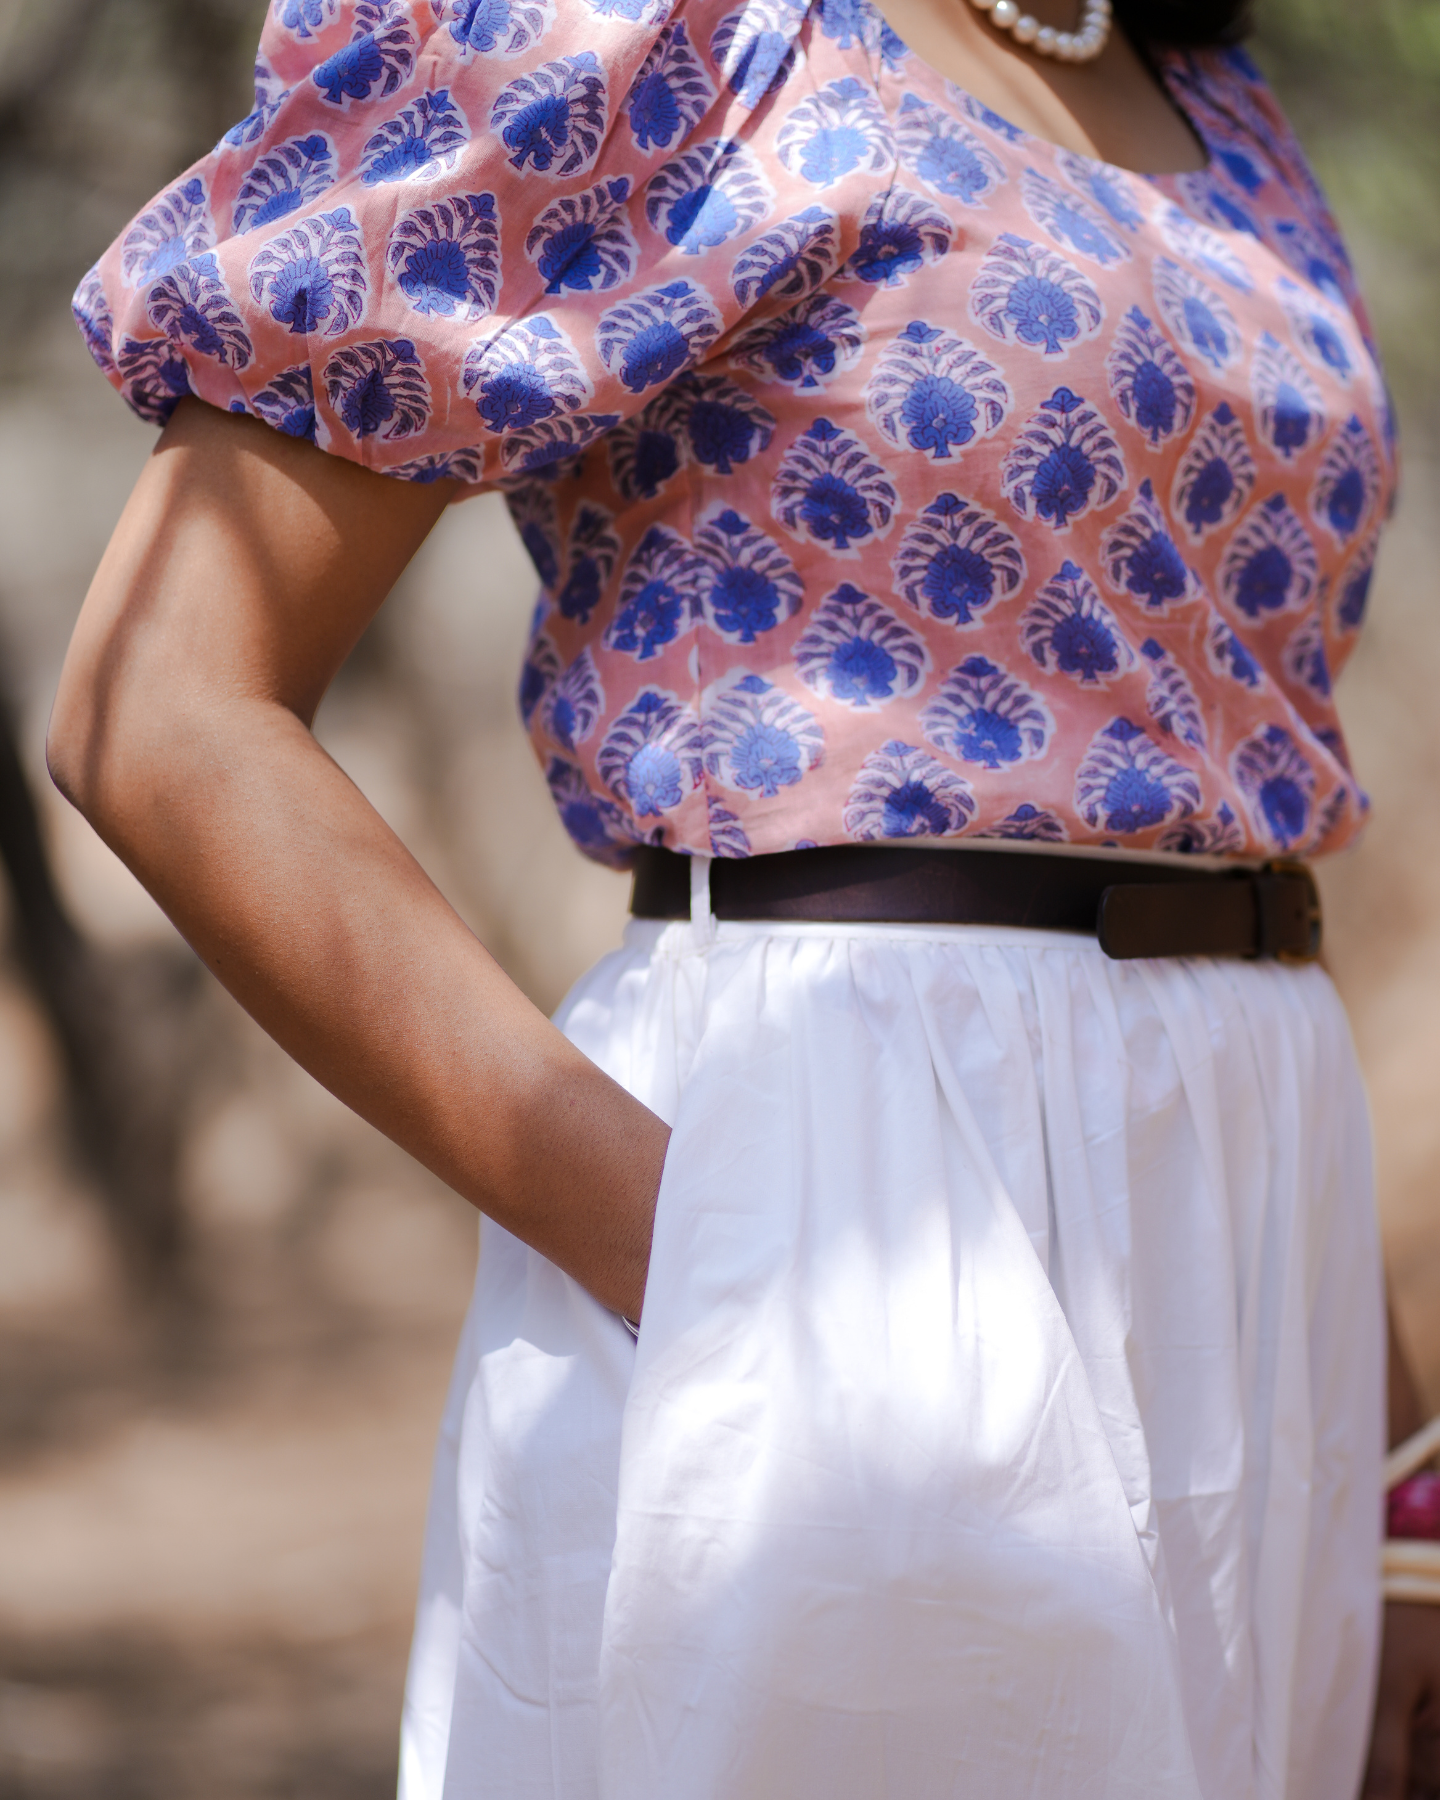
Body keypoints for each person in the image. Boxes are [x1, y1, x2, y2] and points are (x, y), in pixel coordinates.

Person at [48, 0, 1439, 1789]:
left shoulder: (1210, 94)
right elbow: (161, 711)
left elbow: (1233, 865)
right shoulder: (652, 32)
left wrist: (1403, 1480)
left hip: (1268, 1261)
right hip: (855, 1177)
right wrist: (703, 1246)